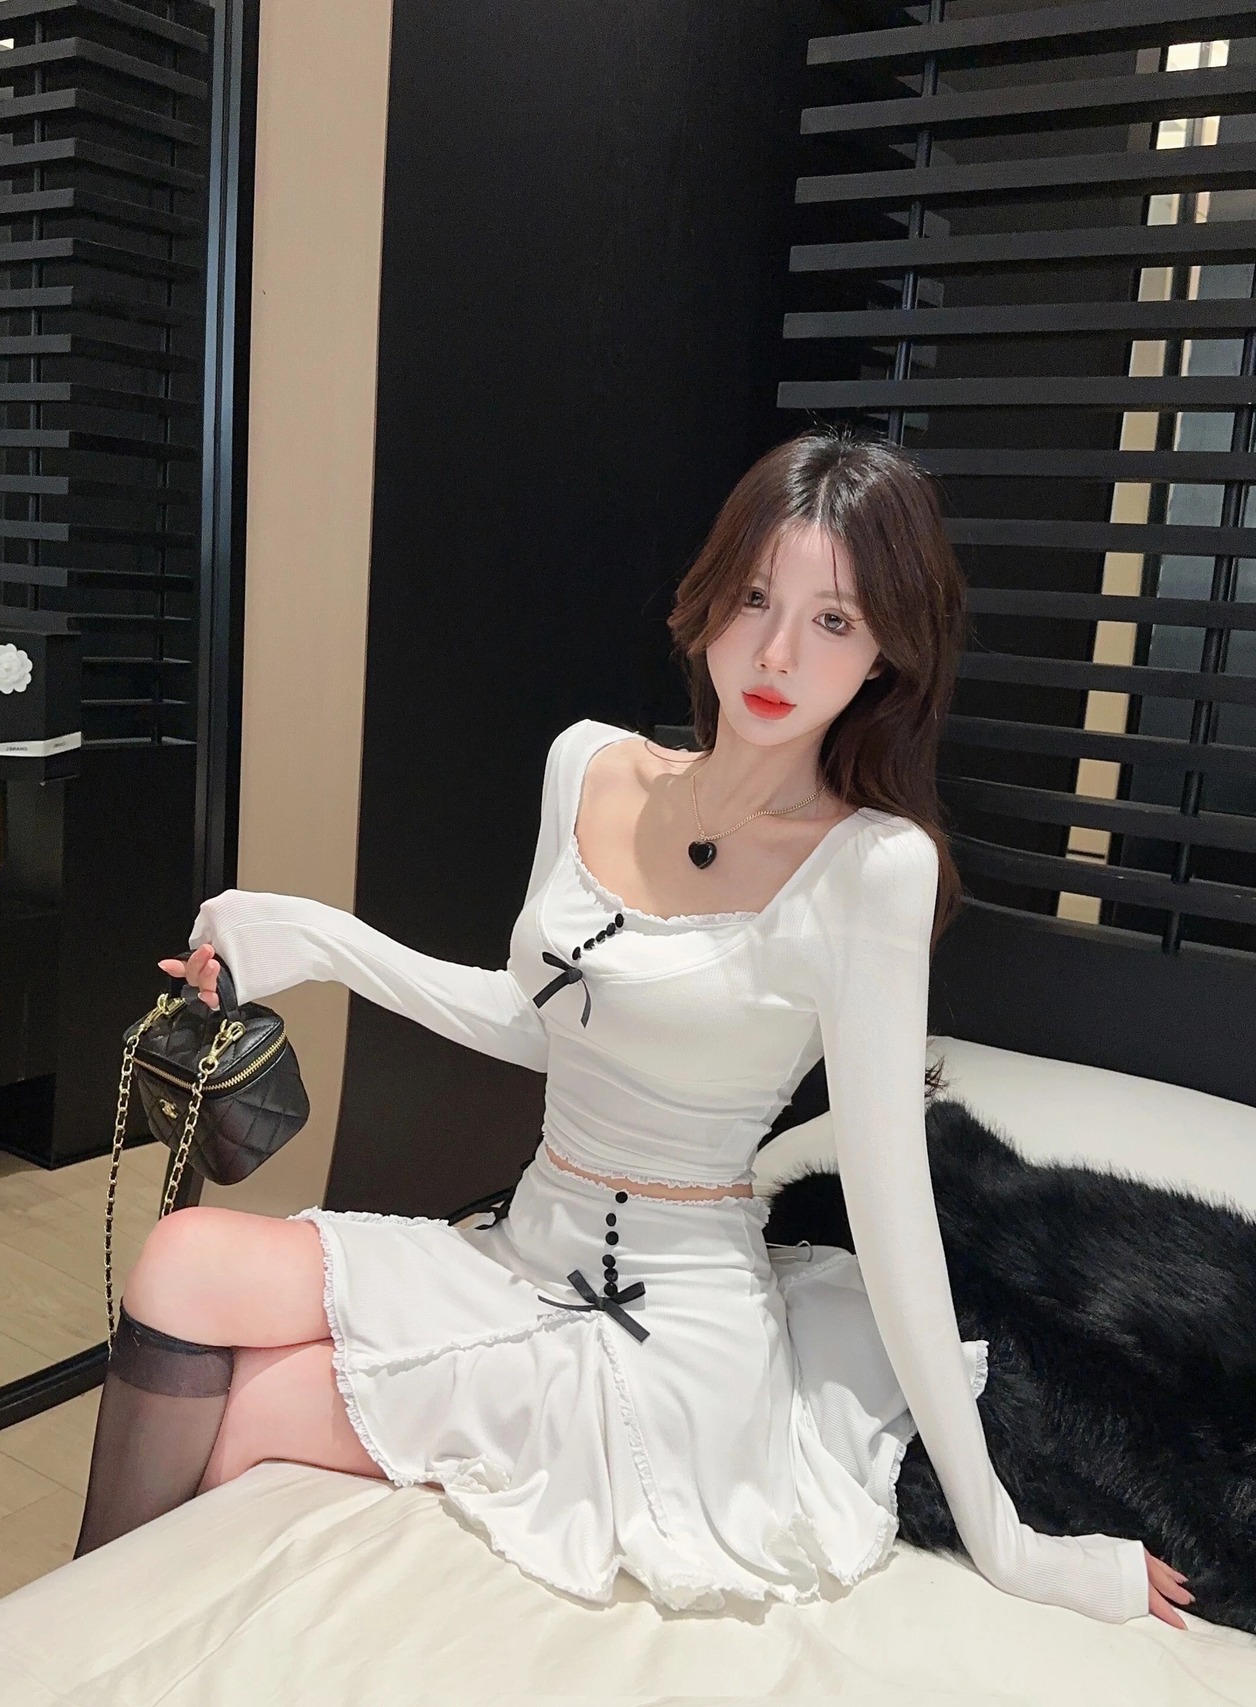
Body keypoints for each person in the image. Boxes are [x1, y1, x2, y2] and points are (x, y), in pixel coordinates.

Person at [73, 429, 1193, 1629]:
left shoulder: (871, 868)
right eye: (755, 597)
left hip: (666, 1327)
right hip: (522, 1246)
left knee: (246, 1414)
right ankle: (76, 1634)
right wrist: (316, 942)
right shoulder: (591, 766)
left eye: (833, 620)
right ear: (709, 594)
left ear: (883, 655)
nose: (774, 653)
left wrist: (1007, 1540)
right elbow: (539, 1020)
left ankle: (85, 1653)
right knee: (180, 1262)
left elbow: (891, 1210)